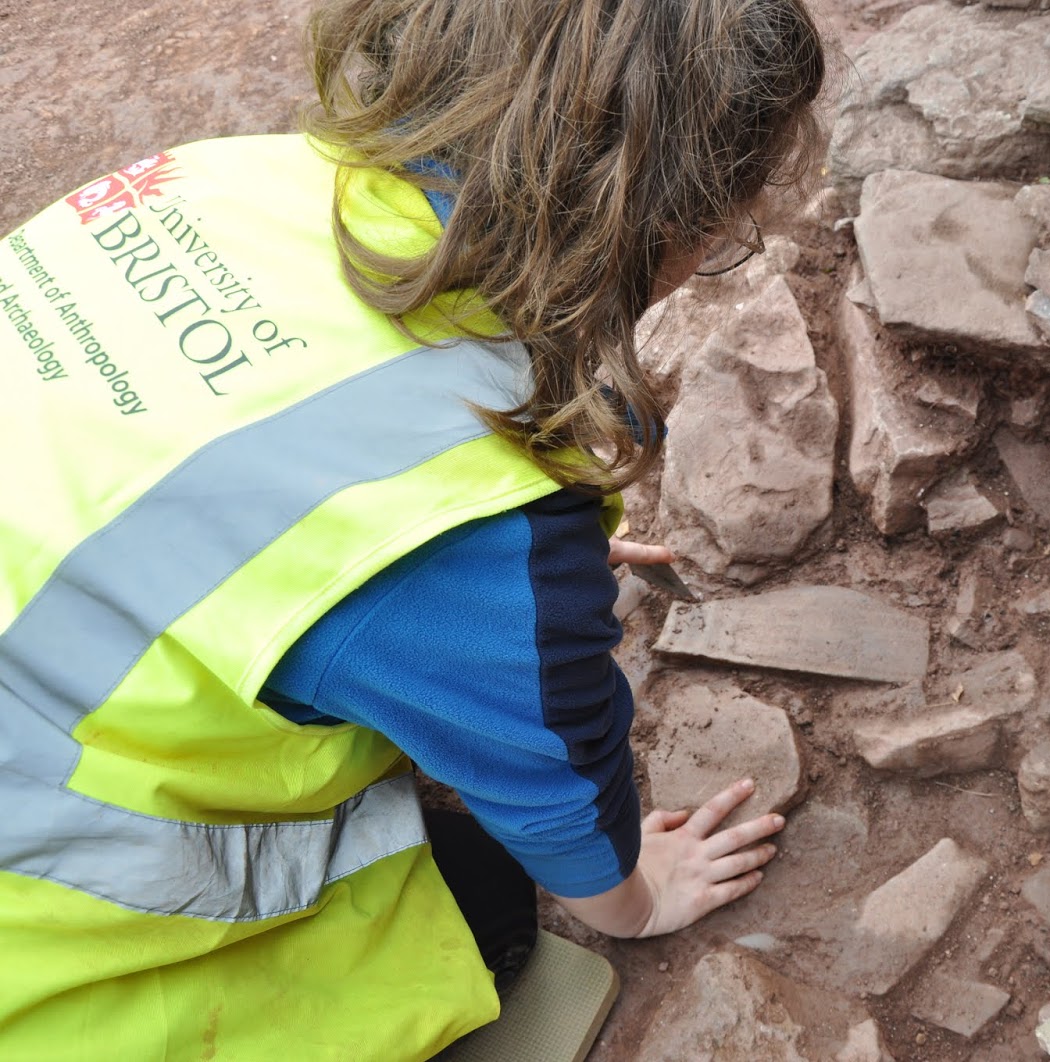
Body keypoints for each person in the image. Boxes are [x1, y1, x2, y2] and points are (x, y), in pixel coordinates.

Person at [0, 0, 825, 1057]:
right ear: (671, 224)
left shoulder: (214, 176)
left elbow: (168, 464)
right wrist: (631, 898)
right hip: (45, 918)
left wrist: (443, 566)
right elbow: (555, 788)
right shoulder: (472, 543)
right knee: (484, 900)